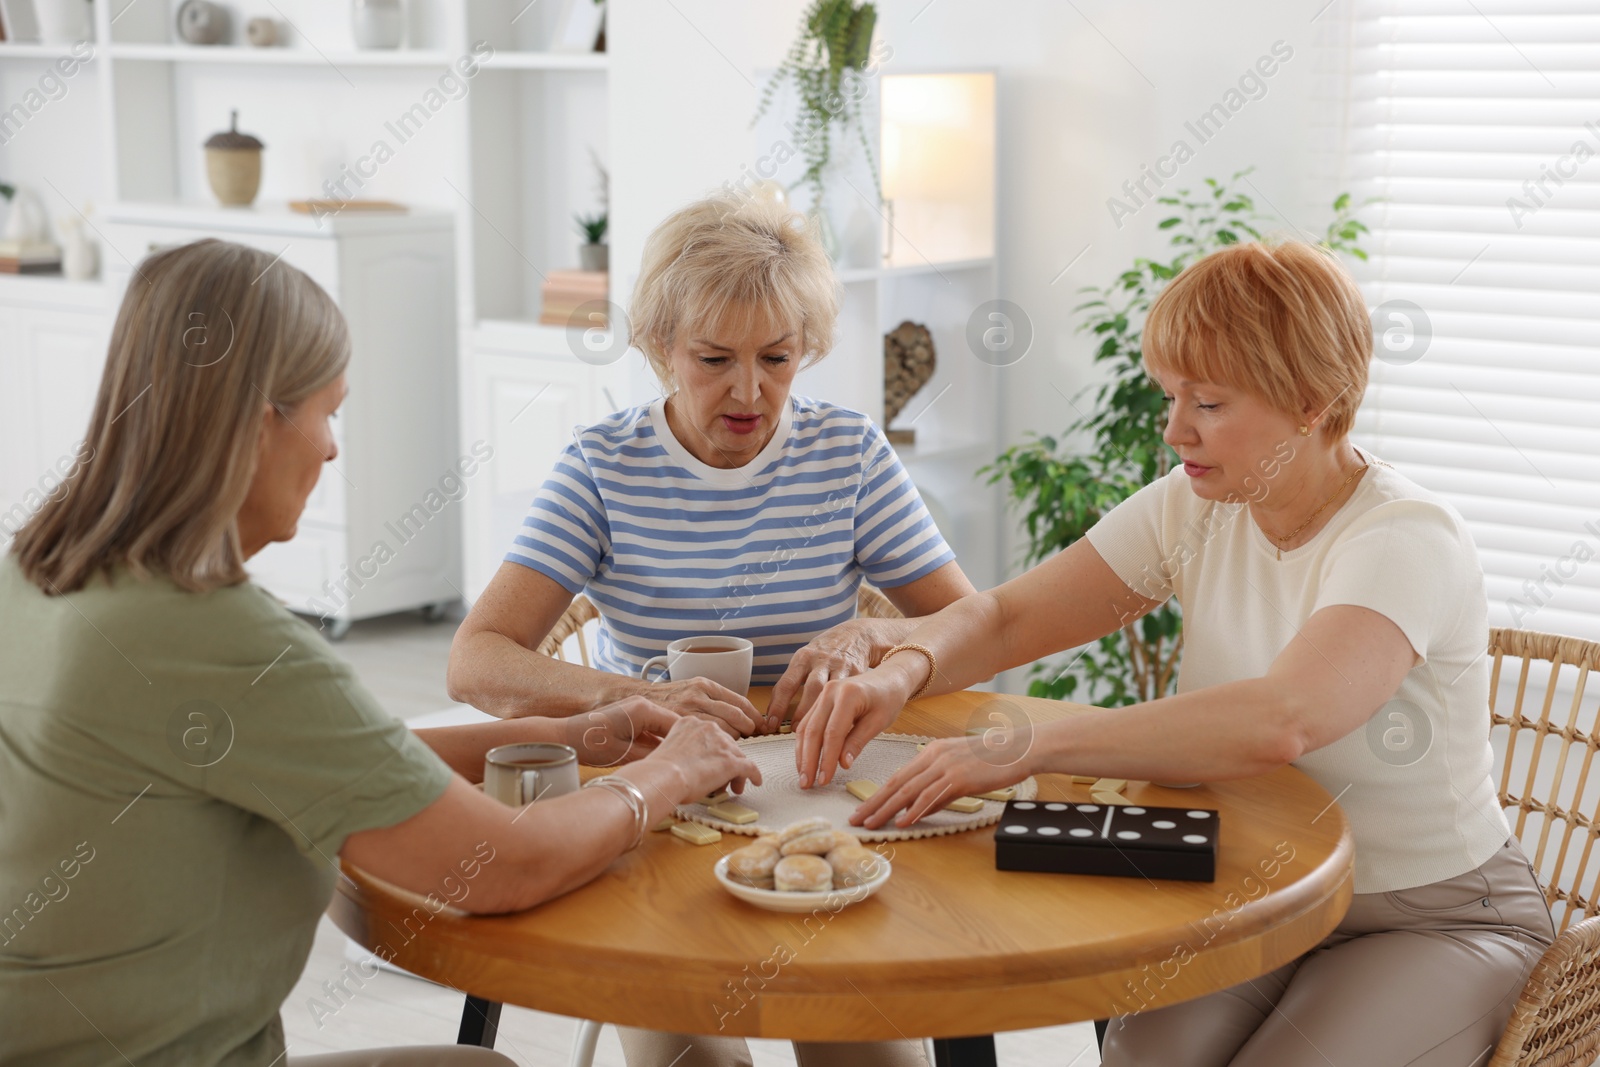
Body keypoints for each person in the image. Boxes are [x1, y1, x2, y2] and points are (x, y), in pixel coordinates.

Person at [0, 239, 760, 1067]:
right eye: (328, 412)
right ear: (260, 425)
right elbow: (504, 864)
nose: (331, 448)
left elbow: (335, 764)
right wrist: (672, 772)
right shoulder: (218, 641)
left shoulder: (40, 574)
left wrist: (582, 733)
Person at [795, 240, 1557, 1065]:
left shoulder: (1405, 537)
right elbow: (1010, 618)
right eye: (1172, 396)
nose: (1174, 429)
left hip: (1432, 912)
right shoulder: (1199, 504)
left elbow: (1283, 718)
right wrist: (903, 666)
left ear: (1312, 401)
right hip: (1265, 887)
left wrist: (1029, 743)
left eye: (1210, 402)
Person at [446, 192, 969, 1067]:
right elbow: (477, 661)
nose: (749, 389)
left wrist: (869, 642)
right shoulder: (603, 466)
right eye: (714, 357)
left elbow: (968, 621)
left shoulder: (848, 455)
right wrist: (639, 693)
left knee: (875, 1062)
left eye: (778, 356)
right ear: (659, 349)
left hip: (819, 804)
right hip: (650, 808)